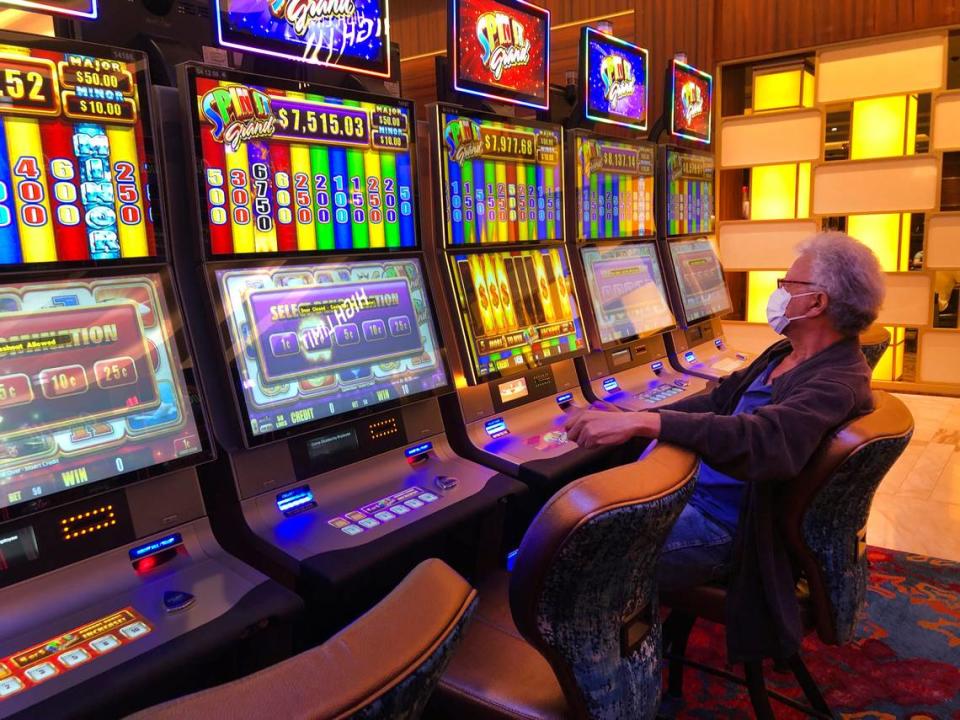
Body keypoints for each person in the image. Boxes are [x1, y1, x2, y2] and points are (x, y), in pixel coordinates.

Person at [564, 231, 885, 661]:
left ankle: (606, 677)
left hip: (730, 528)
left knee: (578, 561)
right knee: (576, 523)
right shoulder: (786, 354)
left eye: (788, 286)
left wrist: (647, 422)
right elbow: (719, 400)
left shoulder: (836, 381)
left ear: (816, 303)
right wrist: (630, 417)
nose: (779, 293)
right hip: (693, 494)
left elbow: (765, 442)